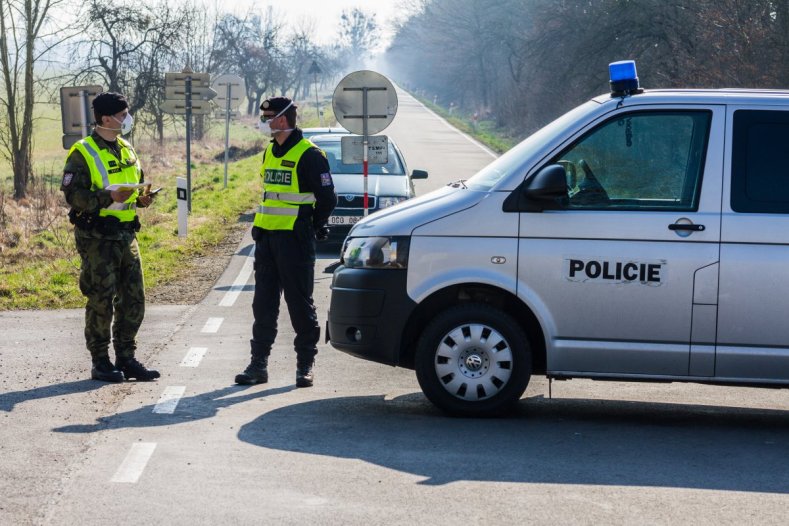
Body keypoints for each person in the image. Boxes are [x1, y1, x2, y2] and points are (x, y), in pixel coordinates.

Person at [235, 96, 337, 388]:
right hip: (266, 239)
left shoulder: (310, 154)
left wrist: (313, 226)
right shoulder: (270, 151)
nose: (264, 121)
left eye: (267, 116)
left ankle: (305, 364)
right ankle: (258, 366)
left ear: (282, 119)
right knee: (263, 307)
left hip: (295, 240)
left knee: (299, 306)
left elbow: (328, 198)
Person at [61, 92, 160, 383]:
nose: (127, 118)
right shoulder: (83, 151)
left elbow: (135, 184)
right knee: (101, 300)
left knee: (134, 300)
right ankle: (101, 361)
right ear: (106, 118)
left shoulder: (126, 148)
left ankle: (127, 358)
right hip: (97, 237)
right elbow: (73, 195)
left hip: (126, 234)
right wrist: (107, 197)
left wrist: (142, 199)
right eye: (122, 114)